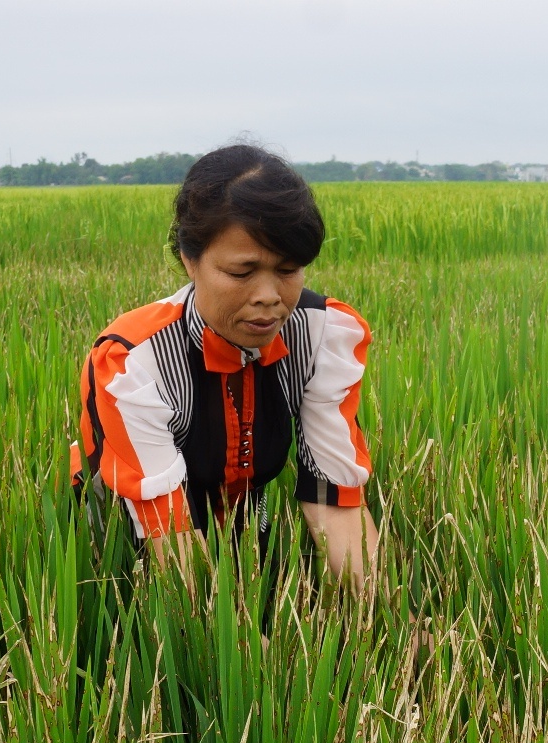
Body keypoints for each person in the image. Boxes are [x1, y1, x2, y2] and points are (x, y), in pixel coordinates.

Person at [71, 145, 381, 586]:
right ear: (189, 260)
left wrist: (389, 616)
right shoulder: (135, 360)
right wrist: (241, 647)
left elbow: (333, 496)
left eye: (289, 270)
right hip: (125, 536)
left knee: (274, 602)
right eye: (241, 273)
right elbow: (165, 526)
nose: (269, 297)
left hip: (244, 514)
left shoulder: (325, 336)